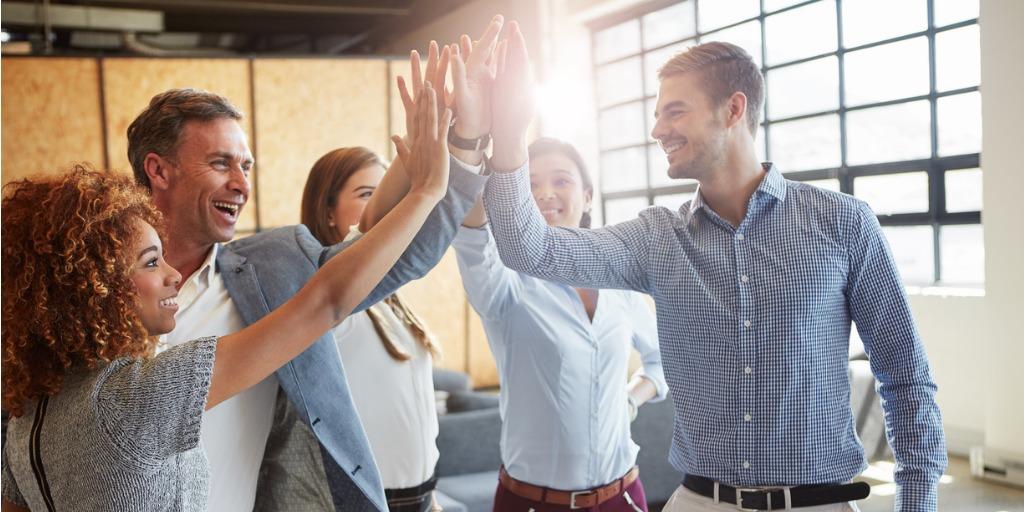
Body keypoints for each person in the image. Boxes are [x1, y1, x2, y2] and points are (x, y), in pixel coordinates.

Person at [480, 26, 946, 512]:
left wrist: (916, 502)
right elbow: (529, 250)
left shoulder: (844, 223)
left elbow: (905, 375)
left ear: (733, 109)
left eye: (675, 111)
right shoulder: (657, 238)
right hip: (699, 501)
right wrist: (509, 132)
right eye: (657, 115)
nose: (658, 130)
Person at [0, 89, 454, 511]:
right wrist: (427, 190)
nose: (172, 274)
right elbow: (324, 302)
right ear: (96, 285)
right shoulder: (133, 397)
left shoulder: (29, 416)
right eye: (151, 261)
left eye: (246, 166)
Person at [122, 19, 505, 509]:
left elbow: (399, 253)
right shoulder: (91, 290)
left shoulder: (274, 269)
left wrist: (465, 142)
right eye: (221, 164)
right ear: (158, 170)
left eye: (246, 166)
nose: (241, 184)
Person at [450, 137, 668, 511]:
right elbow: (473, 242)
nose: (545, 193)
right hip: (534, 502)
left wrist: (631, 399)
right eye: (530, 184)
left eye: (561, 181)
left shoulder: (619, 281)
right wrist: (475, 151)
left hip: (624, 497)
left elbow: (661, 361)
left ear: (587, 197)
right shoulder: (506, 281)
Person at [300, 145, 444, 512]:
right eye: (368, 194)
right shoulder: (322, 293)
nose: (387, 205)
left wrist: (431, 499)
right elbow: (365, 234)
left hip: (421, 497)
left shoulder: (391, 298)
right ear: (328, 212)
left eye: (388, 192)